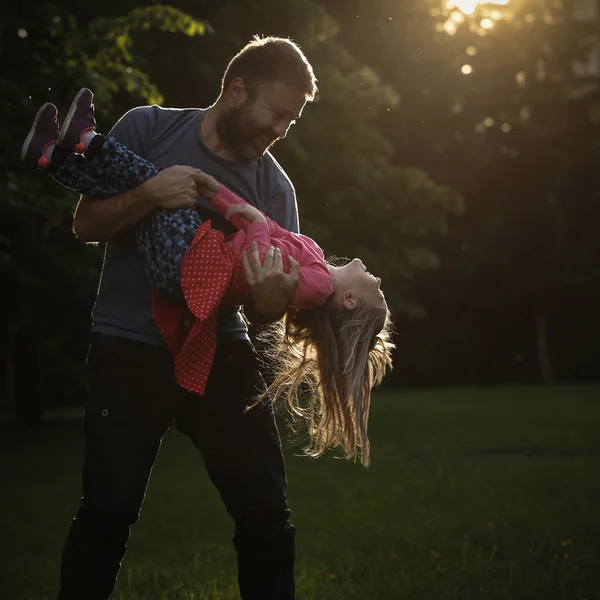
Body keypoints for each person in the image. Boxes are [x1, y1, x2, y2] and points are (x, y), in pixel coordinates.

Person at [23, 88, 394, 468]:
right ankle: (51, 156)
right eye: (277, 112)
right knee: (145, 187)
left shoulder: (317, 285)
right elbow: (263, 229)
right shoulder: (314, 263)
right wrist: (220, 197)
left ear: (348, 300)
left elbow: (262, 254)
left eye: (376, 290)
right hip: (184, 269)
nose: (376, 278)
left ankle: (85, 140)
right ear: (238, 90)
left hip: (191, 263)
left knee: (156, 181)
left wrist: (250, 223)